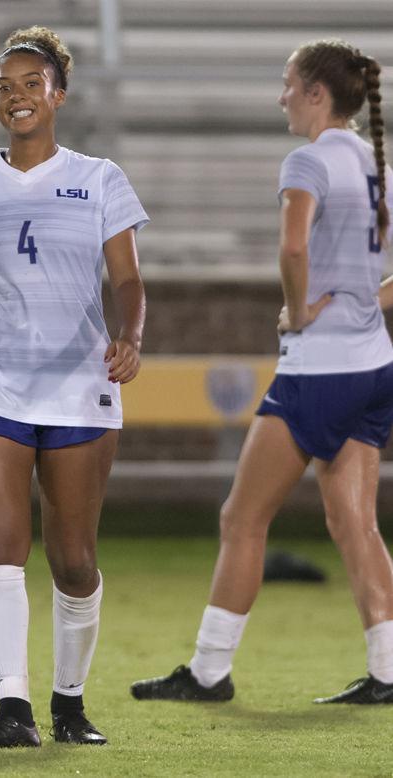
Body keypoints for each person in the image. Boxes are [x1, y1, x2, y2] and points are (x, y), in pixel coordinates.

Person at [131, 39, 393, 705]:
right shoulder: (374, 162)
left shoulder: (307, 161)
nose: (280, 96)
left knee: (241, 519)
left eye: (287, 84)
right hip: (374, 367)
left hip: (319, 370)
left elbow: (293, 244)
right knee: (355, 523)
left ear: (315, 94)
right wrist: (365, 301)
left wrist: (299, 312)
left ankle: (210, 672)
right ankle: (390, 673)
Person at [0, 26, 148, 747]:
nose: (15, 96)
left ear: (58, 95)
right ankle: (11, 709)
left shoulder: (100, 176)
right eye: (3, 86)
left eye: (29, 84)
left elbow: (129, 278)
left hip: (79, 385)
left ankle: (69, 704)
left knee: (73, 560)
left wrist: (130, 337)